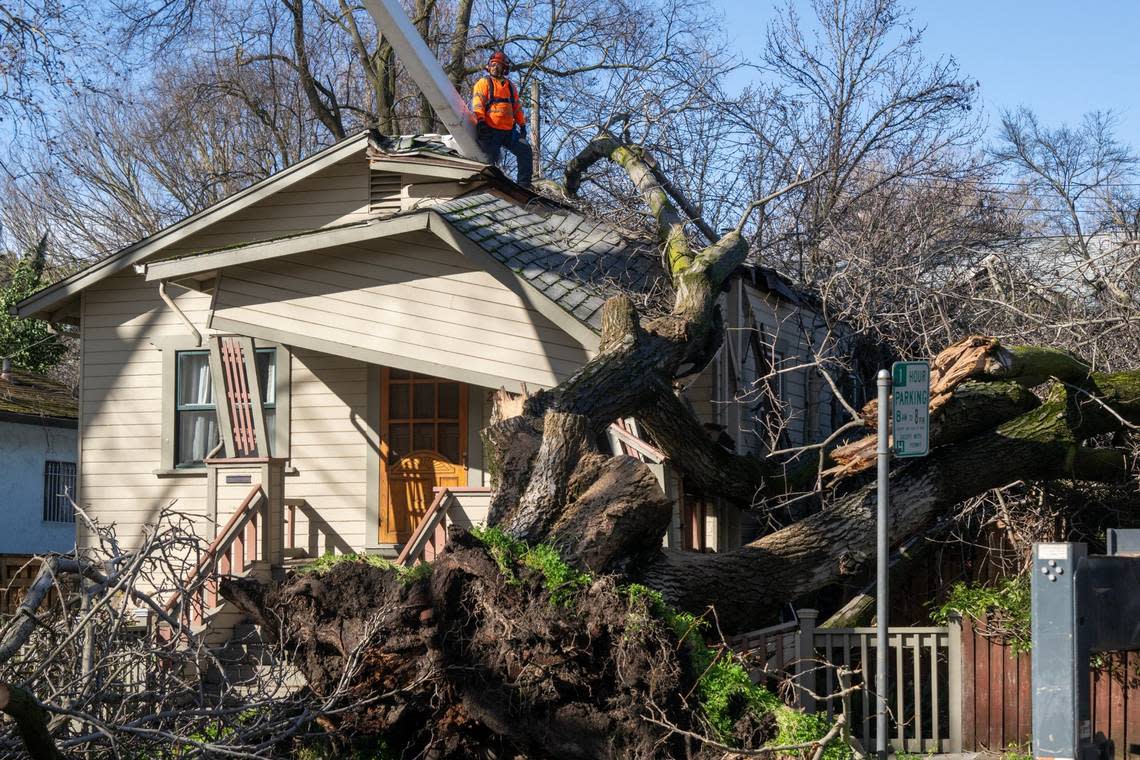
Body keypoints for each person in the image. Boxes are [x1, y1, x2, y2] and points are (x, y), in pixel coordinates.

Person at [472, 51, 533, 188]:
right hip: (490, 130)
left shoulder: (510, 86)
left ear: (504, 68)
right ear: (489, 66)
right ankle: (486, 186)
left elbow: (516, 107)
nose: (495, 67)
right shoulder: (484, 83)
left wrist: (522, 125)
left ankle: (524, 184)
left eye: (498, 65)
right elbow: (478, 103)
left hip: (508, 131)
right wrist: (481, 121)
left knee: (525, 150)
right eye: (493, 64)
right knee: (490, 161)